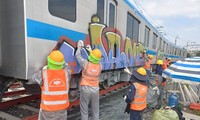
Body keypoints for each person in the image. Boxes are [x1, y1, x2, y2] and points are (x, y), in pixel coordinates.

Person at [27, 50, 71, 120]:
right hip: (62, 109)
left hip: (47, 110)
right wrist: (60, 59)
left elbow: (31, 79)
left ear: (49, 61)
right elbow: (66, 66)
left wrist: (44, 68)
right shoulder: (67, 73)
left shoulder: (43, 74)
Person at [75, 40, 102, 120]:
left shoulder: (85, 64)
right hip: (95, 90)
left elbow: (78, 56)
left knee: (84, 110)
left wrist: (79, 47)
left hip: (85, 89)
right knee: (95, 111)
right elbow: (95, 60)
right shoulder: (100, 66)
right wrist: (91, 51)